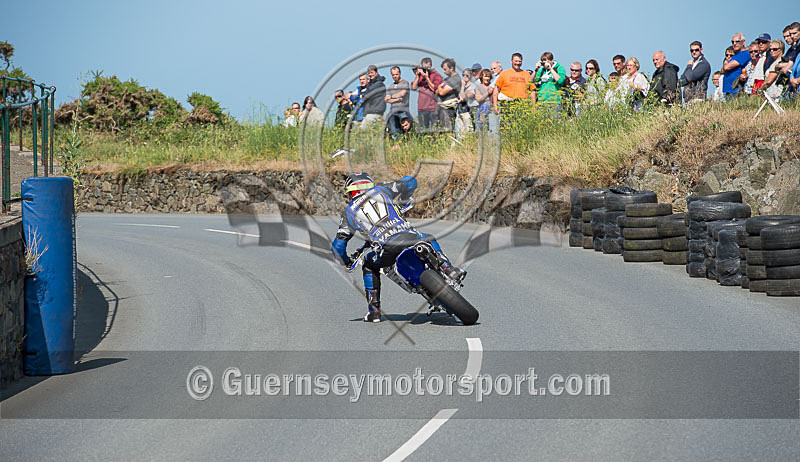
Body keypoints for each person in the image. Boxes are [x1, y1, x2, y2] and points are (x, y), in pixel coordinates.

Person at [331, 172, 465, 322]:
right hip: (410, 238)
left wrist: (346, 261)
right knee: (427, 237)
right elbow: (410, 181)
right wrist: (403, 199)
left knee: (369, 265)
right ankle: (448, 268)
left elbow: (338, 247)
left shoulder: (349, 212)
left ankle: (374, 312)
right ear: (370, 183)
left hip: (387, 248)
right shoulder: (382, 190)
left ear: (350, 191)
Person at [411, 57, 443, 130]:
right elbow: (413, 87)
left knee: (435, 130)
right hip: (422, 108)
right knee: (423, 131)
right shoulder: (420, 76)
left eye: (427, 67)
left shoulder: (436, 75)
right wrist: (418, 76)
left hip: (433, 108)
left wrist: (427, 78)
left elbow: (435, 89)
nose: (426, 70)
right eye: (424, 68)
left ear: (431, 66)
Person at [436, 58, 462, 132]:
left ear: (451, 68)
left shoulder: (456, 79)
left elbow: (441, 92)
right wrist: (440, 88)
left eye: (445, 69)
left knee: (448, 130)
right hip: (441, 108)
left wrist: (439, 86)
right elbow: (437, 92)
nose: (443, 71)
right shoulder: (446, 79)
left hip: (448, 109)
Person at [722, 32, 751, 99]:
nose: (734, 44)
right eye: (733, 42)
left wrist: (726, 61)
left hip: (736, 90)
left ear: (743, 42)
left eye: (737, 41)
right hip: (729, 90)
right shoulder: (736, 55)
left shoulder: (744, 54)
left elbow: (726, 67)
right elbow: (722, 70)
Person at [385, 66, 410, 134]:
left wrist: (391, 96)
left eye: (396, 74)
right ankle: (397, 143)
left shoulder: (405, 83)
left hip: (403, 110)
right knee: (394, 130)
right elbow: (386, 99)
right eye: (393, 75)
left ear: (400, 73)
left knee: (406, 129)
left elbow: (402, 93)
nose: (395, 76)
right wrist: (397, 99)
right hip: (393, 111)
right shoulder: (391, 86)